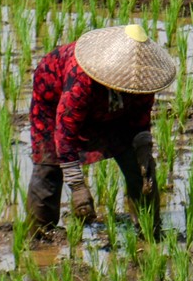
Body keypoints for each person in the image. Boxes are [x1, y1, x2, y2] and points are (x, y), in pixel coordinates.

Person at [25, 24, 178, 236]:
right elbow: (65, 134)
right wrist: (77, 186)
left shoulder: (144, 78)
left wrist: (144, 150)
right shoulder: (82, 77)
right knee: (49, 165)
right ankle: (39, 235)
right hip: (55, 103)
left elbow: (139, 120)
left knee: (140, 168)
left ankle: (149, 230)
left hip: (112, 109)